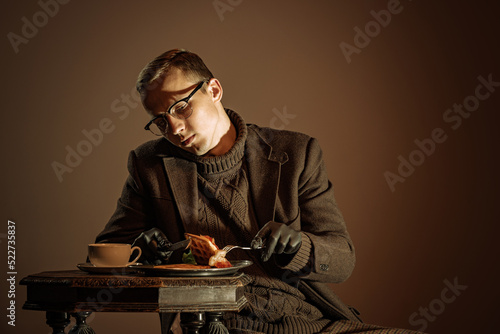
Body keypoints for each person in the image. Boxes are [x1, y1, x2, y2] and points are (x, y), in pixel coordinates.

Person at [95, 49, 424, 334]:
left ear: (214, 89)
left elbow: (342, 260)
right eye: (160, 121)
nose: (174, 128)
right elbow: (102, 258)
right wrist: (138, 256)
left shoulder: (297, 153)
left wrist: (300, 248)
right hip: (211, 322)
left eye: (181, 107)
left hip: (308, 320)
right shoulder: (149, 164)